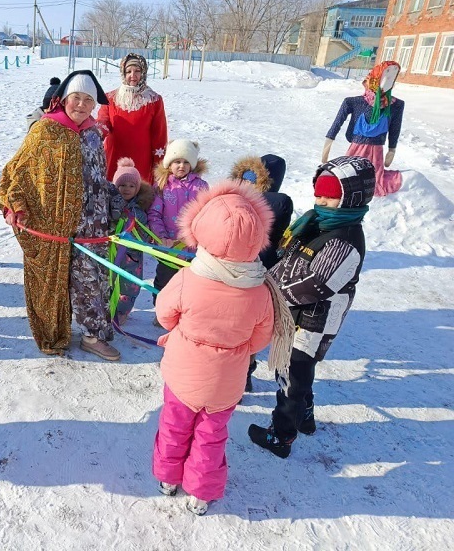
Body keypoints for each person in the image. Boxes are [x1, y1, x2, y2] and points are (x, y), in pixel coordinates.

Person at [153, 181, 292, 515]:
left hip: (183, 374)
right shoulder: (259, 290)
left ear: (200, 228)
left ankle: (169, 478)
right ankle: (201, 493)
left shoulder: (188, 278)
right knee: (211, 436)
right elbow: (260, 338)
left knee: (174, 425)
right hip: (227, 382)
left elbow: (163, 315)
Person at [249, 156, 375, 459]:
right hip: (295, 315)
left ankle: (282, 435)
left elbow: (314, 283)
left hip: (316, 321)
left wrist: (265, 287)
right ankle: (305, 418)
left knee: (293, 375)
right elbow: (286, 254)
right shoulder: (315, 221)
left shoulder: (345, 241)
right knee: (298, 371)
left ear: (352, 198)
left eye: (331, 196)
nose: (322, 200)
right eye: (319, 192)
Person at [0, 70, 122, 361]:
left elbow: (96, 177)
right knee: (52, 283)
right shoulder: (45, 131)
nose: (81, 104)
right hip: (52, 222)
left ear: (95, 105)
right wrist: (14, 204)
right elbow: (17, 172)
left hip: (92, 223)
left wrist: (115, 200)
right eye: (76, 98)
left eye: (88, 100)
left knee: (92, 280)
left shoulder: (94, 134)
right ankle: (54, 335)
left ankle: (93, 336)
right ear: (63, 99)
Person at [230, 154, 294, 391]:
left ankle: (244, 374)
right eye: (244, 181)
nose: (247, 187)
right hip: (232, 272)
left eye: (253, 182)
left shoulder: (277, 204)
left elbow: (275, 205)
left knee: (246, 330)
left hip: (257, 276)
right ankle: (237, 373)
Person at [323, 60, 403, 196]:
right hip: (356, 147)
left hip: (376, 150)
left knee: (372, 179)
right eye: (386, 73)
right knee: (350, 176)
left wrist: (392, 149)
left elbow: (395, 128)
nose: (389, 78)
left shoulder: (395, 105)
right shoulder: (353, 102)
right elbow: (337, 122)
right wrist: (328, 143)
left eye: (393, 74)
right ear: (375, 78)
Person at [148, 139, 209, 316]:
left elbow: (205, 214)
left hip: (192, 249)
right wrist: (162, 237)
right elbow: (154, 215)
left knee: (189, 284)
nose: (181, 166)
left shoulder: (201, 186)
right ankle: (162, 313)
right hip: (168, 248)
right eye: (177, 161)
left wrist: (195, 235)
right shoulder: (162, 186)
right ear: (169, 164)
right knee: (164, 281)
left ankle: (184, 315)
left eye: (186, 162)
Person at [97, 53, 168, 183]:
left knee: (139, 195)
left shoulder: (154, 100)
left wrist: (159, 166)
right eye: (128, 71)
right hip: (115, 157)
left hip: (141, 159)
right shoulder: (110, 98)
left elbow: (159, 135)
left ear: (144, 72)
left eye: (137, 71)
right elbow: (103, 121)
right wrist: (96, 132)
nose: (133, 75)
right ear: (123, 73)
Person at [109, 157, 154, 326]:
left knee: (129, 285)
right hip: (110, 253)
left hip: (132, 257)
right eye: (122, 185)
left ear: (137, 188)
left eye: (131, 186)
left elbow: (144, 234)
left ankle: (122, 311)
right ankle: (107, 308)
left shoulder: (139, 210)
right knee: (108, 281)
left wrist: (135, 239)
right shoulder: (109, 206)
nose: (126, 189)